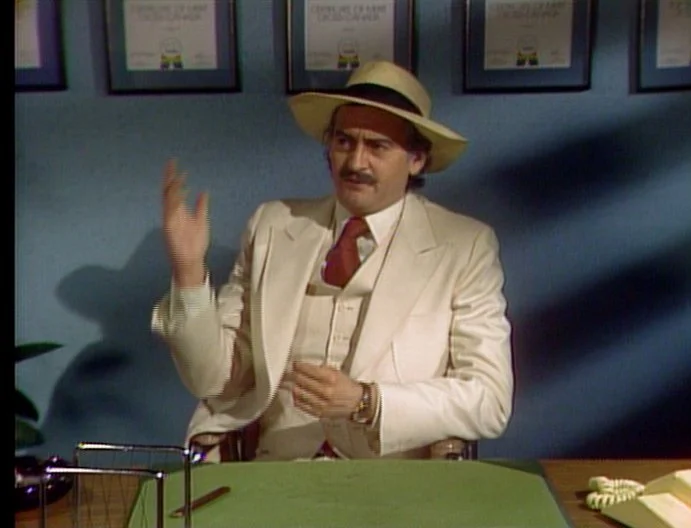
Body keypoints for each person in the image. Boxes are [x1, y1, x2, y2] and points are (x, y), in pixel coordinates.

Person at [151, 60, 514, 462]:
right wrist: (188, 270)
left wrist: (367, 401)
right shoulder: (274, 226)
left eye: (377, 146)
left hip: (391, 479)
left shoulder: (464, 246)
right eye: (344, 142)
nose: (356, 163)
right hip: (276, 470)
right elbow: (213, 380)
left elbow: (490, 399)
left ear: (416, 159)